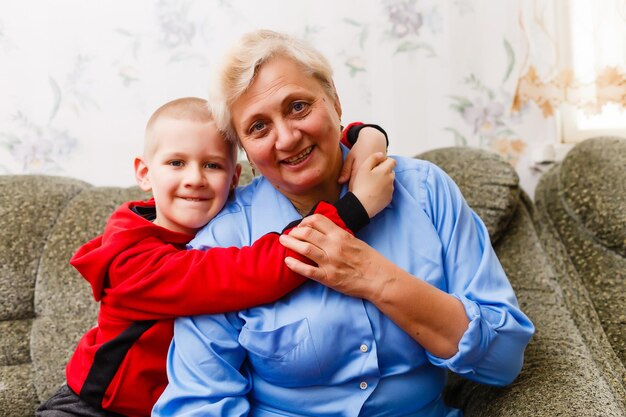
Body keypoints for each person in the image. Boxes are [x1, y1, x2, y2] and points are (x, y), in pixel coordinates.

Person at [153, 30, 535, 417]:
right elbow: (197, 404)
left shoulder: (425, 191)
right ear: (245, 151)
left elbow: (504, 359)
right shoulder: (223, 242)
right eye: (258, 127)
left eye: (298, 106)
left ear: (334, 100)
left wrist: (376, 277)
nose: (286, 137)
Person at [35, 96, 394, 417]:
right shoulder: (131, 259)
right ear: (144, 173)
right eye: (176, 163)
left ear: (235, 178)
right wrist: (353, 210)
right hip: (98, 408)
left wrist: (366, 135)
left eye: (212, 166)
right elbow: (248, 273)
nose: (194, 179)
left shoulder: (232, 223)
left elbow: (306, 149)